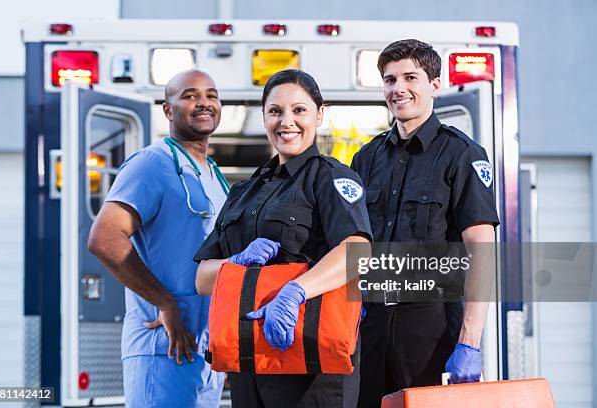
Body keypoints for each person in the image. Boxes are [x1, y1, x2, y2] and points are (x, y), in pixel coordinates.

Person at [193, 69, 372, 408]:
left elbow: (358, 253)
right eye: (275, 111)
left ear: (319, 115)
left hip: (312, 365)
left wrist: (295, 291)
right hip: (250, 364)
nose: (286, 121)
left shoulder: (330, 178)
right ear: (264, 118)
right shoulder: (243, 193)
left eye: (299, 110)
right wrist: (234, 264)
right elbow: (203, 279)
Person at [351, 39, 499, 407]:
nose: (398, 88)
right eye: (389, 80)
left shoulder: (461, 154)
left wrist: (469, 341)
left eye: (410, 77)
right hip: (369, 326)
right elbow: (351, 246)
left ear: (435, 85)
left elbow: (482, 249)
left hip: (430, 330)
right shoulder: (366, 159)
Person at [87, 69, 228, 408]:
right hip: (162, 346)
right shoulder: (152, 164)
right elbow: (105, 238)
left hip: (205, 351)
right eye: (190, 95)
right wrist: (165, 302)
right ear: (168, 110)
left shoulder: (212, 175)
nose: (204, 103)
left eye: (211, 94)